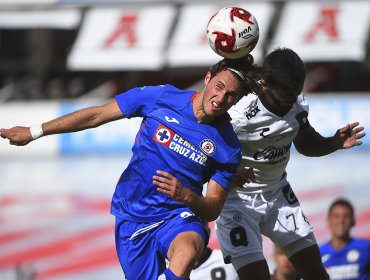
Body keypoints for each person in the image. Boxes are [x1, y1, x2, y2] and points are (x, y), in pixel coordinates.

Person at [0, 56, 258, 280]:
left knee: (187, 252)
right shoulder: (161, 97)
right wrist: (35, 132)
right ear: (207, 78)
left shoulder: (228, 146)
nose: (220, 98)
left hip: (177, 216)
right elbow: (96, 115)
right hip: (132, 213)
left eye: (231, 95)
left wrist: (186, 196)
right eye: (219, 86)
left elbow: (212, 208)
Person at [215, 47, 366, 280]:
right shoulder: (239, 113)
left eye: (295, 94)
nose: (289, 103)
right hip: (237, 203)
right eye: (283, 97)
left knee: (317, 275)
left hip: (278, 195)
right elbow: (202, 150)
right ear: (265, 84)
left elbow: (305, 144)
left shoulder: (296, 103)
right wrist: (223, 173)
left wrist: (333, 143)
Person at [320, 198, 370, 280]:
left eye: (346, 216)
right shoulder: (318, 255)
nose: (341, 221)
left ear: (353, 221)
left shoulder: (366, 248)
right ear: (328, 220)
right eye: (336, 216)